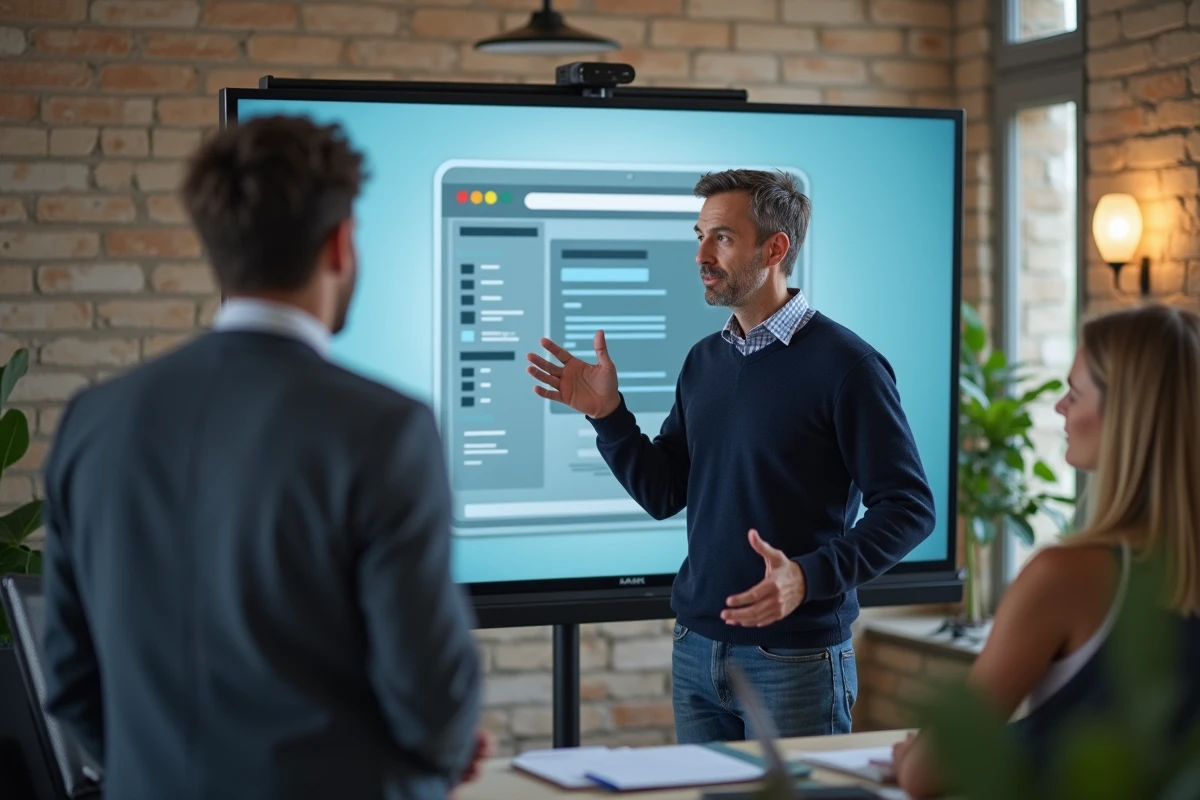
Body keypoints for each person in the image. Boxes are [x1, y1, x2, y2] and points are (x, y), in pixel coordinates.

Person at [39, 115, 488, 800]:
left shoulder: (93, 420)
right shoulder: (385, 428)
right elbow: (430, 701)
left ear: (217, 246)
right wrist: (435, 758)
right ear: (341, 244)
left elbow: (70, 682)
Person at [526, 169, 936, 741]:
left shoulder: (849, 367)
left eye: (721, 237)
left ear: (775, 247)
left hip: (794, 658)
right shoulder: (703, 362)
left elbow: (909, 508)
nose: (701, 254)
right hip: (696, 648)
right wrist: (608, 416)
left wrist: (807, 577)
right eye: (699, 235)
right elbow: (665, 492)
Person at [893, 303, 1200, 798]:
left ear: (1125, 417)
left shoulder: (1067, 576)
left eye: (1075, 394)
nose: (1059, 408)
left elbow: (927, 773)